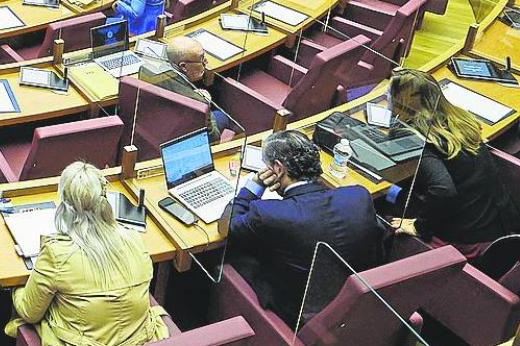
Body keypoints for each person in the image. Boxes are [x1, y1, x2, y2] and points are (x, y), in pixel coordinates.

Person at [228, 130, 383, 328]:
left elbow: (230, 226)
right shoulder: (359, 196)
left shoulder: (270, 213)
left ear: (277, 168)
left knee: (234, 255)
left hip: (298, 314)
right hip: (355, 306)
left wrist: (254, 186)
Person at [5, 162, 169, 346]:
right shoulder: (135, 239)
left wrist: (17, 290)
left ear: (64, 207)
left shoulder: (57, 254)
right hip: (139, 340)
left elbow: (29, 312)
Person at [386, 69, 520, 255]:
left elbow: (443, 189)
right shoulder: (459, 121)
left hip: (467, 241)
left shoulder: (420, 139)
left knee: (385, 216)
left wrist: (419, 225)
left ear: (402, 102)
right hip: (498, 224)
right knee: (398, 193)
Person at [137, 35, 226, 138]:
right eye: (201, 58)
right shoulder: (198, 102)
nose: (206, 62)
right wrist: (207, 104)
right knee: (222, 116)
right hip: (182, 134)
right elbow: (214, 137)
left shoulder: (146, 71)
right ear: (183, 66)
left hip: (156, 124)